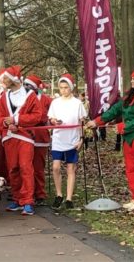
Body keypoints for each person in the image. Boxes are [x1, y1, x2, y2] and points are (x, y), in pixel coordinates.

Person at [86, 60, 134, 214]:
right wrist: (96, 122)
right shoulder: (127, 98)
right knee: (131, 169)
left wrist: (123, 127)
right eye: (131, 78)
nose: (132, 80)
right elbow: (113, 111)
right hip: (129, 140)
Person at [0, 66, 42, 216]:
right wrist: (6, 122)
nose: (3, 81)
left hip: (25, 137)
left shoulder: (30, 96)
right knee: (13, 169)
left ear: (14, 79)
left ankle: (28, 201)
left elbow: (37, 116)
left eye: (6, 78)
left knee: (25, 168)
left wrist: (17, 119)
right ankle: (17, 198)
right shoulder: (3, 96)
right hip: (9, 137)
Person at [47, 74, 87, 209]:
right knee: (56, 167)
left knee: (71, 168)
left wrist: (82, 139)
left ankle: (69, 198)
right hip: (58, 139)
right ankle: (59, 194)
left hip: (72, 139)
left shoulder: (77, 103)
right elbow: (51, 119)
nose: (64, 90)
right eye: (61, 87)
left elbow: (82, 122)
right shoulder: (55, 102)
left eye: (66, 87)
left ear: (71, 88)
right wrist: (53, 121)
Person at [23, 74, 52, 206]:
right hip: (26, 136)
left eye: (28, 86)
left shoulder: (46, 100)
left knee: (38, 167)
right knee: (26, 166)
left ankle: (40, 193)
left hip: (40, 137)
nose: (25, 88)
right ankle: (27, 192)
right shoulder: (23, 99)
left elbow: (48, 116)